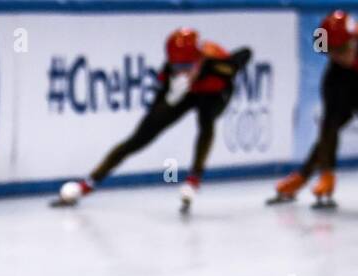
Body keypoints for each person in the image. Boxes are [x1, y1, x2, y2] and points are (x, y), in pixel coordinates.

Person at [55, 28, 252, 213]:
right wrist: (169, 98)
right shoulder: (169, 72)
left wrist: (223, 61)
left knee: (205, 120)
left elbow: (246, 53)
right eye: (177, 66)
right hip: (186, 93)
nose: (181, 71)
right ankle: (88, 184)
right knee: (139, 138)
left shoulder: (217, 64)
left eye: (186, 66)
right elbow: (155, 112)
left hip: (215, 94)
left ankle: (194, 178)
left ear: (199, 60)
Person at [269, 10, 358, 207]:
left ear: (355, 41)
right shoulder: (325, 45)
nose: (338, 55)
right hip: (339, 75)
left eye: (342, 49)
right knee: (329, 123)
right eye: (331, 50)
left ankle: (303, 177)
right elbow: (328, 50)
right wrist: (337, 53)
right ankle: (325, 176)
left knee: (336, 123)